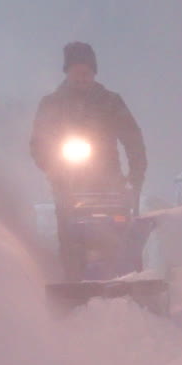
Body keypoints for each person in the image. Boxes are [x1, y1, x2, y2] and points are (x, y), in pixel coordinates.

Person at [30, 41, 147, 279]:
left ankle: (124, 279)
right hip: (68, 185)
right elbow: (38, 144)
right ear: (67, 72)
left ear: (94, 72)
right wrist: (53, 169)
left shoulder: (111, 102)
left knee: (119, 232)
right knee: (71, 234)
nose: (82, 77)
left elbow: (133, 139)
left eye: (87, 72)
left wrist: (136, 175)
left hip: (109, 182)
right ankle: (73, 282)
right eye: (77, 71)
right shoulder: (52, 104)